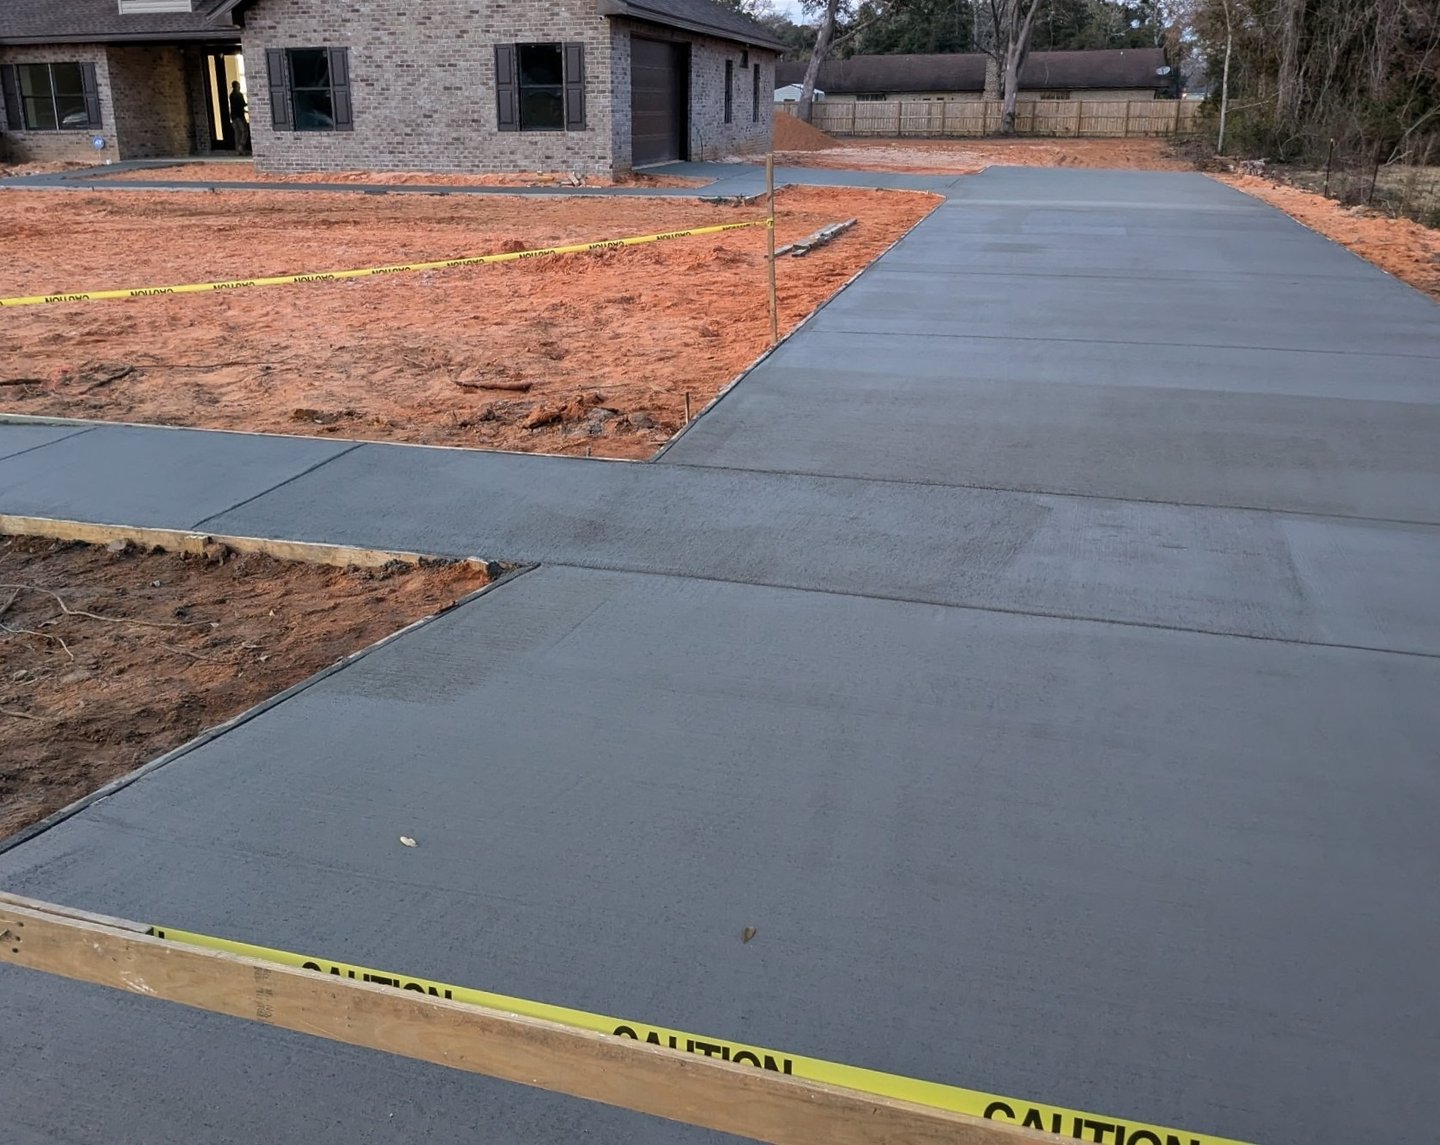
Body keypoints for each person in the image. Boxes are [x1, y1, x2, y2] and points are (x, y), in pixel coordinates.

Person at [229, 81, 250, 154]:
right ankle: (241, 146)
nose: (240, 87)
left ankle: (237, 150)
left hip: (233, 116)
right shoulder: (239, 94)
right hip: (240, 116)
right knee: (244, 131)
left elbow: (235, 106)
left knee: (237, 133)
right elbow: (242, 104)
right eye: (239, 85)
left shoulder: (231, 95)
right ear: (237, 86)